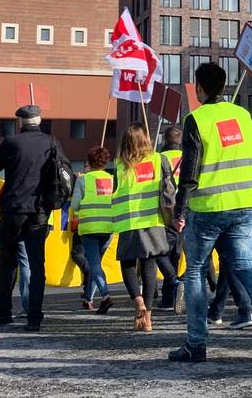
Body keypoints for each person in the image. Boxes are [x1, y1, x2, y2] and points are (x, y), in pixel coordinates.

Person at [168, 62, 252, 365]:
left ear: (200, 88)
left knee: (195, 270)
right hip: (244, 204)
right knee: (245, 265)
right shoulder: (244, 116)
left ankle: (196, 344)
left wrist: (180, 208)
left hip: (208, 207)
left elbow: (190, 171)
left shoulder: (196, 119)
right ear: (223, 86)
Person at [0, 105, 68, 332]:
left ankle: (3, 312)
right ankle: (34, 317)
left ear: (20, 121)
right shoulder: (52, 142)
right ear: (40, 121)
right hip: (40, 210)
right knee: (36, 263)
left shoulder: (12, 142)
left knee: (7, 259)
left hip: (13, 207)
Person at [114, 123, 177, 333]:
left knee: (128, 265)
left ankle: (138, 301)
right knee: (149, 267)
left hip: (128, 222)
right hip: (153, 220)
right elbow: (169, 190)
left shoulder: (120, 165)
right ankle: (148, 320)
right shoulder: (159, 159)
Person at [71, 145, 115, 314]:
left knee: (94, 264)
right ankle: (89, 299)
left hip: (89, 227)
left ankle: (105, 295)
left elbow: (74, 205)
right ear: (105, 162)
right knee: (96, 265)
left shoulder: (83, 180)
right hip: (108, 227)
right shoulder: (112, 180)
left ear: (89, 162)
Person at [159, 125, 196, 311]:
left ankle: (169, 296)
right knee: (192, 253)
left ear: (164, 140)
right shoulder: (188, 156)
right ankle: (208, 287)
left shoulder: (161, 158)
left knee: (168, 253)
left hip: (169, 209)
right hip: (190, 206)